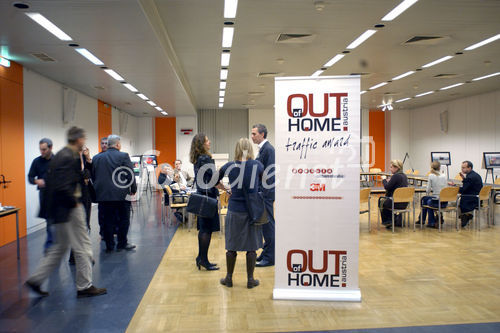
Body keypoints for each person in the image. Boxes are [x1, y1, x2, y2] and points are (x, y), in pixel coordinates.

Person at [25, 127, 106, 298]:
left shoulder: (63, 154)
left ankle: (36, 279)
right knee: (83, 245)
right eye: (83, 139)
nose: (84, 142)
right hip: (70, 208)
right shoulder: (69, 157)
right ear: (78, 140)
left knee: (59, 246)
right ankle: (84, 285)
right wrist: (75, 204)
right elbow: (63, 185)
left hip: (59, 209)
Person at [218, 138, 264, 289]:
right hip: (252, 212)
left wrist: (227, 189)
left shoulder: (229, 166)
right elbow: (265, 184)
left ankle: (229, 278)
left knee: (231, 246)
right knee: (252, 247)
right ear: (250, 149)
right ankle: (250, 280)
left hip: (234, 210)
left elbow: (212, 180)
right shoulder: (257, 165)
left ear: (237, 149)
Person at [92, 134, 137, 253]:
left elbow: (93, 176)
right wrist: (133, 189)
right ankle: (122, 243)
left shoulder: (96, 158)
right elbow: (129, 173)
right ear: (117, 144)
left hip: (103, 195)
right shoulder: (123, 156)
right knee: (123, 219)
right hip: (121, 194)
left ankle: (109, 245)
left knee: (106, 220)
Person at [190, 133, 220, 271]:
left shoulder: (197, 159)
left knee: (203, 229)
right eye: (207, 141)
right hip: (209, 198)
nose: (209, 143)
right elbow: (214, 180)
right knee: (206, 230)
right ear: (202, 144)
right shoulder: (206, 158)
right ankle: (203, 260)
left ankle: (201, 258)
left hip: (201, 196)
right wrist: (226, 188)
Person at [251, 124, 275, 267]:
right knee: (265, 225)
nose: (252, 136)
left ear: (262, 134)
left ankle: (270, 257)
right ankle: (266, 253)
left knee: (268, 225)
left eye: (254, 134)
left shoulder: (268, 150)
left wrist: (263, 193)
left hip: (266, 194)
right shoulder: (263, 150)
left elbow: (269, 174)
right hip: (263, 193)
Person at [27, 138, 54, 251]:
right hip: (44, 195)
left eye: (44, 149)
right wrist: (36, 181)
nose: (42, 152)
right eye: (40, 149)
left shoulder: (57, 160)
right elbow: (30, 177)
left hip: (58, 194)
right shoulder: (37, 161)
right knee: (50, 220)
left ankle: (53, 244)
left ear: (50, 148)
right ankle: (50, 245)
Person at [379, 160, 408, 228]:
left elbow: (387, 187)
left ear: (397, 168)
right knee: (387, 200)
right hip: (404, 203)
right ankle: (395, 219)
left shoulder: (396, 176)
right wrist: (390, 181)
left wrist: (384, 180)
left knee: (381, 201)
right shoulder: (404, 176)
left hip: (395, 203)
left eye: (391, 167)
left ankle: (388, 221)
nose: (390, 168)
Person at [420, 161, 448, 228]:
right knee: (426, 200)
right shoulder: (444, 176)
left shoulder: (431, 176)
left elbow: (428, 190)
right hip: (445, 201)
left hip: (436, 201)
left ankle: (428, 221)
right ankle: (425, 220)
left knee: (425, 200)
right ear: (439, 167)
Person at [456, 160, 483, 227]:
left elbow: (463, 190)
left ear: (469, 168)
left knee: (457, 202)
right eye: (462, 167)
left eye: (464, 167)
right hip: (478, 197)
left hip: (471, 199)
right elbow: (469, 185)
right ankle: (466, 215)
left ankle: (465, 216)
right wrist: (464, 179)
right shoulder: (474, 175)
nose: (462, 169)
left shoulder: (470, 177)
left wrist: (455, 188)